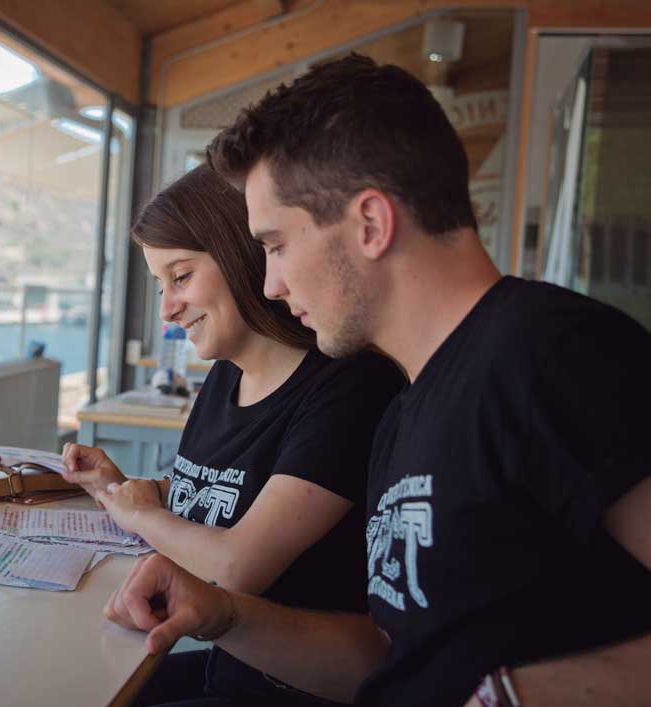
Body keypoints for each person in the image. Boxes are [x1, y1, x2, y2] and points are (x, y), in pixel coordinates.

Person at [103, 54, 651, 707]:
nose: (272, 283)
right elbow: (387, 659)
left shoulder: (553, 355)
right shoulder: (402, 409)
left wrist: (509, 694)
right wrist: (223, 613)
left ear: (370, 223)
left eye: (276, 245)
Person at [63, 164, 404, 706]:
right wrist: (119, 486)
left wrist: (137, 513)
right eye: (160, 285)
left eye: (181, 277)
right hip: (228, 668)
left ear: (242, 256)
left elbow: (235, 565)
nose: (168, 309)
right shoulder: (227, 376)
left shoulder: (349, 387)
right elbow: (211, 496)